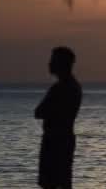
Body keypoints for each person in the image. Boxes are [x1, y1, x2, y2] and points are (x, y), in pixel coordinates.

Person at [35, 47, 82, 189]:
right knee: (63, 182)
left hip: (56, 140)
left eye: (53, 61)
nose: (49, 64)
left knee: (52, 183)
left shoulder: (61, 88)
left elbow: (39, 112)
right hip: (63, 139)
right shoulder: (73, 87)